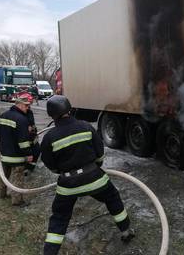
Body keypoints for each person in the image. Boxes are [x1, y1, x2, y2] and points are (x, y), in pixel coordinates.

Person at [40, 95, 134, 255]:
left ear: (52, 114)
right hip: (95, 179)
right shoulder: (85, 126)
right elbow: (99, 152)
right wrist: (95, 166)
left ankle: (50, 252)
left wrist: (62, 172)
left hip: (67, 186)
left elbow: (49, 163)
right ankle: (126, 231)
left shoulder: (49, 137)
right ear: (69, 109)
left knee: (59, 218)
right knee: (112, 198)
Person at [0, 93, 34, 206]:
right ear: (19, 105)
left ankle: (0, 195)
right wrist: (29, 154)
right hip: (17, 157)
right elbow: (23, 142)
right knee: (18, 179)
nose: (28, 108)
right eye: (26, 105)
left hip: (4, 154)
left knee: (3, 176)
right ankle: (17, 201)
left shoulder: (2, 116)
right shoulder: (22, 119)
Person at [23, 93, 41, 176]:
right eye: (27, 105)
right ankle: (25, 168)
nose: (29, 106)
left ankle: (30, 168)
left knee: (37, 150)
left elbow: (32, 124)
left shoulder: (29, 112)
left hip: (32, 137)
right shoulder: (20, 114)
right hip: (25, 138)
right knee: (27, 153)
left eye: (29, 104)